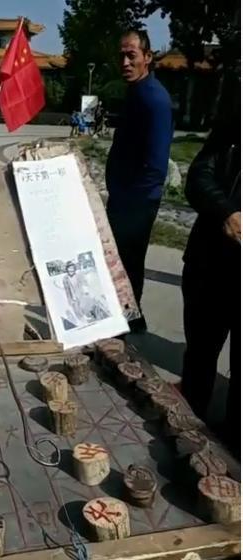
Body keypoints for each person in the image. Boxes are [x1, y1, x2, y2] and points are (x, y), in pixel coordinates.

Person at [180, 72, 240, 458]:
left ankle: (233, 447)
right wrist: (226, 211)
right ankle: (187, 432)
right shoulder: (229, 133)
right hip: (211, 265)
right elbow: (198, 178)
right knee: (200, 355)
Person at [105, 30, 173, 332]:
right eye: (121, 55)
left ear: (147, 57)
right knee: (122, 261)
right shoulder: (136, 92)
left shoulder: (154, 99)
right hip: (124, 195)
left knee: (126, 261)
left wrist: (130, 203)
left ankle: (127, 324)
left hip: (138, 200)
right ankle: (131, 319)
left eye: (131, 55)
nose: (125, 62)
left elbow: (156, 165)